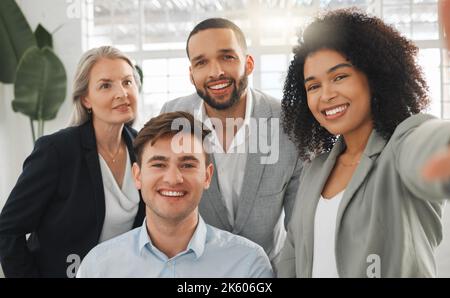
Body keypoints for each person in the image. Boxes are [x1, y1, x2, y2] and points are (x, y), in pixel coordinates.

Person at [276, 9, 450, 278]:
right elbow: (292, 259)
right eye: (313, 86)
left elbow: (430, 148)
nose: (326, 95)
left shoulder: (403, 144)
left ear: (375, 77)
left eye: (339, 77)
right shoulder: (316, 170)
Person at [160, 18, 302, 264]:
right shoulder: (171, 117)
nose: (216, 72)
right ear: (191, 74)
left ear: (248, 64)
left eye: (227, 57)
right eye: (201, 62)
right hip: (195, 273)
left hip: (267, 271)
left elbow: (300, 233)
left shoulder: (289, 123)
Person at [0, 46, 145, 277]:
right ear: (86, 99)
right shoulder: (57, 151)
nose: (122, 93)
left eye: (127, 82)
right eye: (106, 85)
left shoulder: (144, 147)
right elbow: (7, 230)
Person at [76, 111, 273, 278]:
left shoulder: (248, 265)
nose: (173, 178)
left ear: (207, 176)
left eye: (187, 165)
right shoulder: (98, 268)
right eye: (159, 164)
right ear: (138, 176)